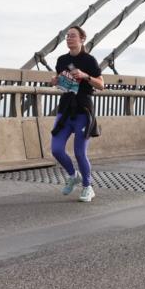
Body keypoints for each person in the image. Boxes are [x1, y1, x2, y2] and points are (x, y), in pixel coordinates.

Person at [51, 26, 104, 203]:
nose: (69, 39)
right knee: (56, 149)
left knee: (79, 152)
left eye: (73, 36)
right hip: (65, 109)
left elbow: (101, 85)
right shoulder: (61, 60)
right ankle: (73, 175)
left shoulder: (89, 60)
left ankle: (88, 187)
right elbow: (61, 80)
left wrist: (85, 76)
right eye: (67, 36)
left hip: (83, 109)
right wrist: (55, 81)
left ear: (82, 39)